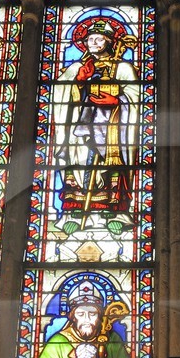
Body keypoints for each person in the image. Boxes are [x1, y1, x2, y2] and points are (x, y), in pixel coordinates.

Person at [53, 15, 138, 235]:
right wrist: (79, 82)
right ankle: (76, 212)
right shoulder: (76, 68)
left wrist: (118, 100)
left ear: (109, 42)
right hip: (81, 128)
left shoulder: (123, 67)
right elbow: (60, 94)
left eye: (99, 39)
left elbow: (135, 96)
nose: (94, 43)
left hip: (112, 128)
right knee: (79, 161)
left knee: (110, 165)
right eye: (90, 39)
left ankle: (113, 213)